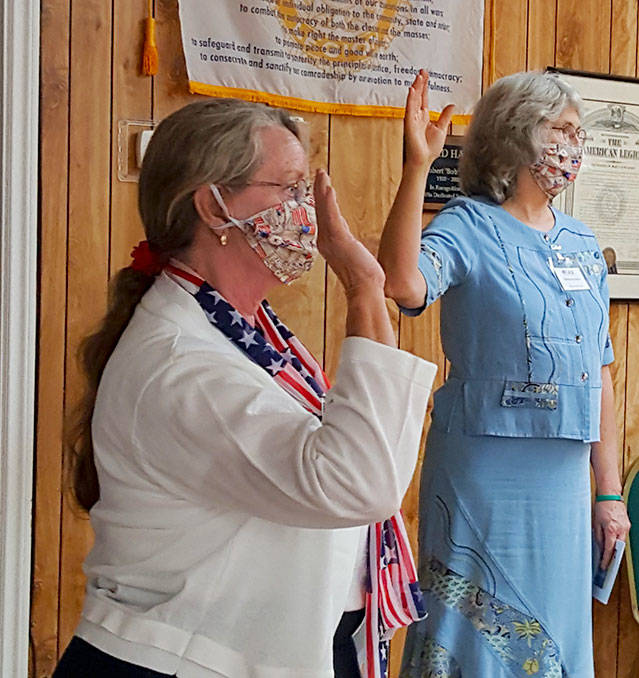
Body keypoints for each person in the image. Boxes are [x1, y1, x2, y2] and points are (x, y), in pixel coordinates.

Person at [51, 98, 438, 678]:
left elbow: (363, 451)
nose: (307, 210)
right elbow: (360, 482)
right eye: (287, 188)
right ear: (212, 205)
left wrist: (370, 288)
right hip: (180, 659)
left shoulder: (242, 325)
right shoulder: (178, 363)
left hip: (257, 642)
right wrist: (363, 284)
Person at [379, 70, 630, 676]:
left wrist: (610, 491)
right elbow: (403, 281)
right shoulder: (468, 223)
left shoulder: (582, 242)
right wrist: (417, 169)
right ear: (517, 135)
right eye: (560, 129)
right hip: (483, 470)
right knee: (472, 628)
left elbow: (600, 371)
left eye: (578, 132)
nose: (573, 144)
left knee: (552, 633)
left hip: (564, 479)